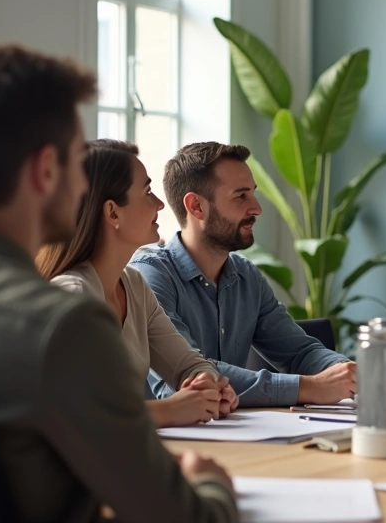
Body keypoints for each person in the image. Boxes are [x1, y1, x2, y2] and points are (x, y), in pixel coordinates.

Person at [0, 45, 238, 522]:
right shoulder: (61, 325)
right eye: (75, 162)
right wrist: (209, 480)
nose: (80, 187)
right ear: (46, 170)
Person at [130, 142, 356, 407]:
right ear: (196, 206)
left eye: (253, 194)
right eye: (240, 196)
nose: (257, 208)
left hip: (238, 436)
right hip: (164, 443)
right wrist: (307, 388)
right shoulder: (149, 274)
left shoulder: (247, 276)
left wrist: (349, 374)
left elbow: (299, 352)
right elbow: (186, 379)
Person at [38, 139, 240, 427]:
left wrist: (207, 385)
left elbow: (187, 364)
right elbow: (77, 414)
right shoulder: (72, 295)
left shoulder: (133, 284)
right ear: (112, 213)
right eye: (147, 191)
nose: (159, 203)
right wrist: (171, 409)